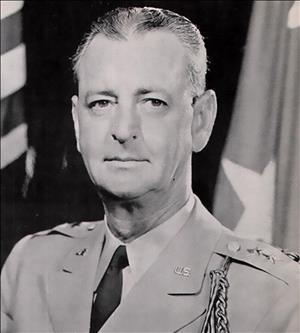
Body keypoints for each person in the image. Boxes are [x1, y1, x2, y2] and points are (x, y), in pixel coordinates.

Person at [1, 6, 299, 333]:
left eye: (153, 102)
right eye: (101, 103)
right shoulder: (30, 267)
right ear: (77, 123)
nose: (123, 129)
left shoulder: (278, 297)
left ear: (201, 120)